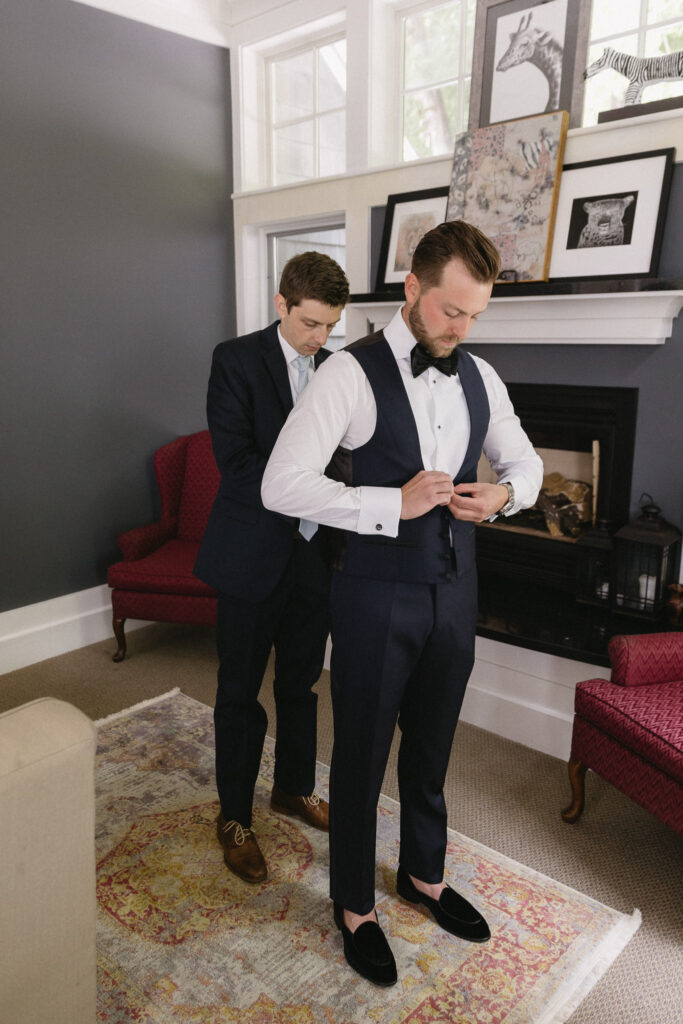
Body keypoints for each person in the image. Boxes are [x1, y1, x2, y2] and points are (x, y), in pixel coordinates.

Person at [261, 221, 543, 984]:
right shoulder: (345, 374)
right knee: (359, 753)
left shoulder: (481, 376)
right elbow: (281, 484)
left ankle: (423, 875)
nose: (462, 327)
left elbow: (525, 459)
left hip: (455, 591)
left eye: (475, 314)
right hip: (372, 593)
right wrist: (389, 503)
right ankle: (353, 903)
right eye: (451, 310)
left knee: (429, 747)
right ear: (412, 289)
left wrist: (507, 492)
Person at [194, 251, 350, 885]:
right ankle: (234, 816)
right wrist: (317, 489)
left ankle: (293, 788)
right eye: (310, 324)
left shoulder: (339, 368)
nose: (320, 340)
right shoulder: (233, 360)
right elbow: (235, 460)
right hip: (251, 553)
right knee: (239, 693)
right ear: (281, 304)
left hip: (317, 553)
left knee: (301, 683)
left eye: (330, 328)